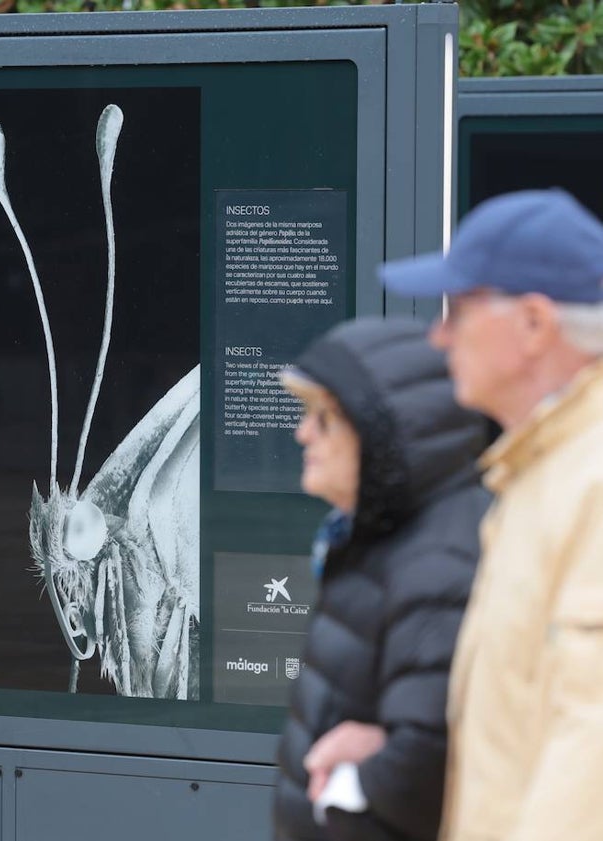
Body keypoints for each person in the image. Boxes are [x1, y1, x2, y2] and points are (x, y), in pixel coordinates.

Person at [379, 188, 603, 841]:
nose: (437, 334)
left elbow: (589, 736)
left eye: (459, 309)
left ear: (533, 324)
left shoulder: (589, 477)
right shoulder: (541, 471)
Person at [273, 317, 490, 841]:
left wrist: (346, 796)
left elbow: (427, 752)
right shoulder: (378, 536)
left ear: (384, 432)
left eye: (324, 418)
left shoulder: (436, 559)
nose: (302, 433)